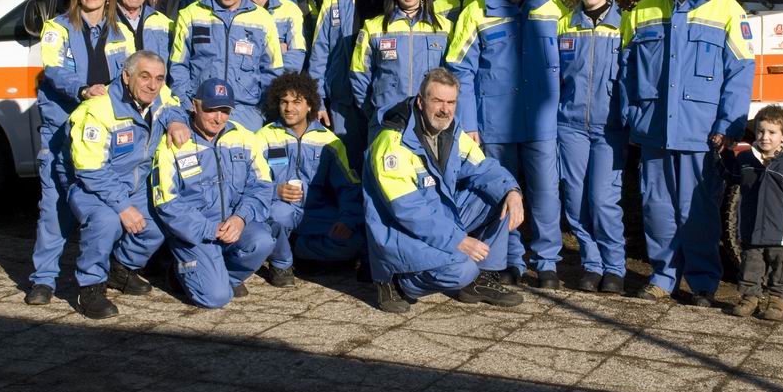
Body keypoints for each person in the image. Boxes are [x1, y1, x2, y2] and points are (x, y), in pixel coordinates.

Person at [620, 0, 755, 306]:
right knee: (657, 209)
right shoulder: (644, 9)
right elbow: (625, 69)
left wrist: (729, 126)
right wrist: (632, 114)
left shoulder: (727, 9)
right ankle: (662, 278)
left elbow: (740, 72)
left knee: (698, 212)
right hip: (654, 130)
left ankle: (703, 283)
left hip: (702, 133)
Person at [446, 0, 567, 289]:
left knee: (546, 195)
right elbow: (459, 69)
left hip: (541, 122)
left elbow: (569, 66)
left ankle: (547, 263)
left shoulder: (552, 9)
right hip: (495, 124)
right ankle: (511, 260)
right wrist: (469, 123)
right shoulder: (476, 10)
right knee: (502, 194)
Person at [364, 68, 525, 313]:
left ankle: (480, 280)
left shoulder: (451, 131)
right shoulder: (392, 142)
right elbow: (409, 212)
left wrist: (512, 191)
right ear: (421, 102)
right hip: (401, 233)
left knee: (499, 196)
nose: (445, 109)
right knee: (462, 270)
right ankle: (395, 279)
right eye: (438, 101)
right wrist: (458, 240)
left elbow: (483, 167)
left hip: (437, 221)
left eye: (451, 102)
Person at [25, 0, 135, 306]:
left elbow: (130, 76)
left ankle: (105, 273)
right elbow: (54, 70)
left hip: (102, 133)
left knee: (106, 205)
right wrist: (84, 89)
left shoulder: (121, 33)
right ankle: (43, 280)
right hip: (61, 131)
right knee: (54, 207)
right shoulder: (57, 28)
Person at [66, 51, 189, 318]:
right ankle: (90, 287)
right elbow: (90, 169)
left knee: (161, 219)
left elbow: (173, 104)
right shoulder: (98, 110)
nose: (153, 85)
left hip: (137, 185)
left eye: (159, 78)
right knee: (106, 222)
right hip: (95, 188)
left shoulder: (159, 96)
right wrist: (123, 207)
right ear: (126, 76)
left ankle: (120, 267)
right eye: (144, 77)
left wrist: (177, 120)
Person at [151, 78, 277, 309]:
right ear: (195, 105)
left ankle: (217, 274)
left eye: (225, 111)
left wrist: (240, 218)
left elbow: (262, 186)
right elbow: (166, 202)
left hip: (232, 225)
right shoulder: (173, 142)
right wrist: (209, 229)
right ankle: (183, 273)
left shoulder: (244, 137)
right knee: (215, 298)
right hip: (195, 231)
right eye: (211, 110)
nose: (218, 118)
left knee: (262, 241)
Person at [557, 0, 627, 294]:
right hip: (570, 126)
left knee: (602, 200)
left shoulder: (624, 25)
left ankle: (614, 266)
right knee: (574, 200)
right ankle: (592, 263)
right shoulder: (565, 24)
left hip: (609, 129)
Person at [256, 73, 365, 286]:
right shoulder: (263, 137)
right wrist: (275, 190)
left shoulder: (329, 141)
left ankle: (297, 248)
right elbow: (251, 183)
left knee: (353, 241)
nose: (289, 108)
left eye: (296, 102)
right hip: (280, 209)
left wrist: (347, 219)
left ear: (309, 106)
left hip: (316, 212)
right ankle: (281, 264)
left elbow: (348, 187)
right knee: (278, 215)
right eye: (284, 102)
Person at [721, 105, 783, 320]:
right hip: (752, 230)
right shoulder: (746, 160)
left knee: (780, 269)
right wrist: (724, 153)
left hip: (782, 235)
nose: (765, 137)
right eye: (760, 131)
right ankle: (749, 298)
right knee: (750, 266)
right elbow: (731, 175)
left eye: (772, 132)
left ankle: (777, 301)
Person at [169, 0, 283, 131]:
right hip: (201, 111)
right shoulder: (191, 15)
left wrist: (261, 111)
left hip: (246, 114)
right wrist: (187, 104)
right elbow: (178, 66)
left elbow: (273, 71)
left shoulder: (263, 19)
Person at [308, 0, 390, 171]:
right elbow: (319, 55)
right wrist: (318, 102)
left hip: (387, 103)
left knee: (386, 172)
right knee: (348, 173)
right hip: (345, 106)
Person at [351, 0, 452, 139]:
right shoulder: (373, 28)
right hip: (386, 122)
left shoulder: (444, 28)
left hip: (429, 123)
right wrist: (375, 113)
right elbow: (359, 75)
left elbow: (453, 76)